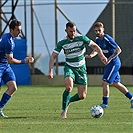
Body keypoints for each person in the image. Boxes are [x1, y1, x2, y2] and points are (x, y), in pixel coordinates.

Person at [47, 21, 107, 118]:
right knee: (69, 87)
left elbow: (95, 46)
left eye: (74, 31)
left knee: (82, 95)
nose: (73, 33)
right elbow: (53, 56)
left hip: (81, 68)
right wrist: (50, 70)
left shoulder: (81, 38)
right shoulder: (62, 42)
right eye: (71, 31)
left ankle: (68, 100)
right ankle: (63, 112)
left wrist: (102, 56)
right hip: (69, 67)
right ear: (66, 31)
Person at [86, 21, 133, 108]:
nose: (97, 32)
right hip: (110, 64)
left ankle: (104, 103)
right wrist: (90, 55)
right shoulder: (97, 40)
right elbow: (96, 50)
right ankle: (132, 98)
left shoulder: (107, 38)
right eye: (96, 31)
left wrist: (109, 59)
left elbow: (118, 50)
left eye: (99, 30)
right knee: (116, 83)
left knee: (105, 82)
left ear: (103, 29)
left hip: (114, 63)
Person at [0, 19, 34, 118]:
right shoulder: (8, 41)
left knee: (13, 87)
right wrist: (24, 61)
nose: (20, 32)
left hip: (5, 66)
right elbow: (10, 60)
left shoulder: (8, 38)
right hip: (2, 65)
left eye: (20, 30)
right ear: (11, 30)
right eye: (17, 30)